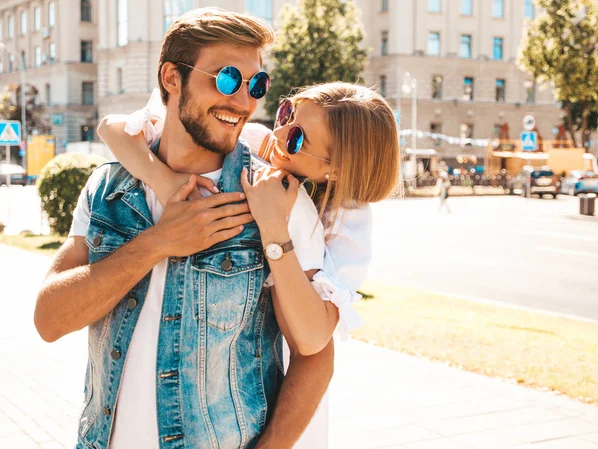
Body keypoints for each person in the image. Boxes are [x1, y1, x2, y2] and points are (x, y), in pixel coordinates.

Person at [34, 8, 335, 449]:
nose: (244, 101)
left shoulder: (277, 201)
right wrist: (158, 242)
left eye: (256, 85)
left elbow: (316, 357)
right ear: (172, 78)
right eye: (227, 78)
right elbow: (49, 319)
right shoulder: (108, 186)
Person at [98, 80, 400, 447]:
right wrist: (165, 183)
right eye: (288, 112)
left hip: (288, 405)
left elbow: (312, 339)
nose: (281, 132)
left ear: (334, 171)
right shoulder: (254, 141)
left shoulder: (346, 220)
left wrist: (274, 228)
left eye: (298, 138)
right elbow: (113, 129)